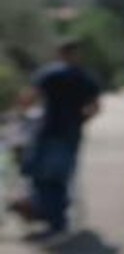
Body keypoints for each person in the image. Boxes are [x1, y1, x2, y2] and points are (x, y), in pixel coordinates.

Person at [15, 38, 102, 240]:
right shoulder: (86, 77)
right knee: (60, 179)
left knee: (41, 177)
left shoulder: (48, 74)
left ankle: (52, 222)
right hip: (70, 135)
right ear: (76, 54)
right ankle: (56, 221)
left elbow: (28, 98)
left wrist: (22, 116)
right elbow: (96, 108)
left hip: (47, 131)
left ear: (59, 53)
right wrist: (79, 120)